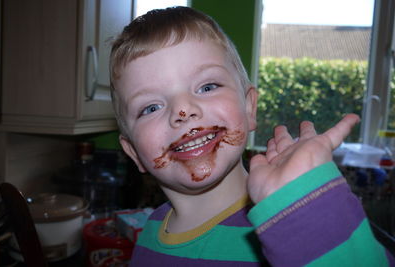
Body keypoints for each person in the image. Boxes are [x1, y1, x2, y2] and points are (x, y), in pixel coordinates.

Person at [109, 6, 394, 266]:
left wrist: (308, 206)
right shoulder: (147, 232)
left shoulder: (291, 226)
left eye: (207, 87)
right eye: (151, 107)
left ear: (249, 108)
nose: (182, 110)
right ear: (133, 152)